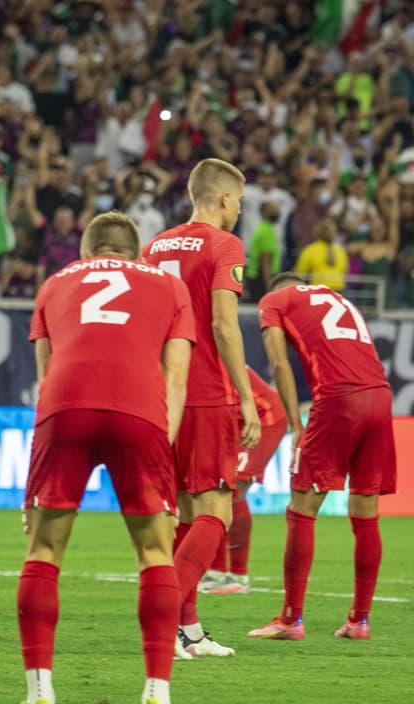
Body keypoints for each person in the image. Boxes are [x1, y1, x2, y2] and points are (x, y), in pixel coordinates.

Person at [18, 211, 194, 704]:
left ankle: (39, 698)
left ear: (86, 251)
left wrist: (36, 476)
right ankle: (157, 697)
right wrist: (161, 448)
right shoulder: (169, 285)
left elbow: (44, 377)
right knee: (155, 553)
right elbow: (176, 379)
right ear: (136, 253)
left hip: (65, 406)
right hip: (140, 409)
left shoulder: (55, 283)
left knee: (44, 550)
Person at [142, 158, 260, 660]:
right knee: (216, 514)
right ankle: (164, 620)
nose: (239, 212)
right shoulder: (224, 245)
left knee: (188, 515)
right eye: (239, 201)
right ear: (223, 199)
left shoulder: (154, 246)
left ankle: (189, 628)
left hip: (163, 395)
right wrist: (248, 396)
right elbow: (224, 324)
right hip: (208, 393)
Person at [247, 273, 396, 641]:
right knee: (365, 513)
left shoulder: (275, 300)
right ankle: (359, 620)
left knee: (301, 508)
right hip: (380, 396)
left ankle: (290, 619)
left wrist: (296, 426)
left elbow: (279, 364)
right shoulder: (340, 299)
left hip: (339, 398)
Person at [199, 367, 288, 596]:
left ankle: (236, 575)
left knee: (229, 492)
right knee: (214, 491)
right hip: (234, 420)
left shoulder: (192, 357)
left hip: (262, 417)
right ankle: (216, 572)